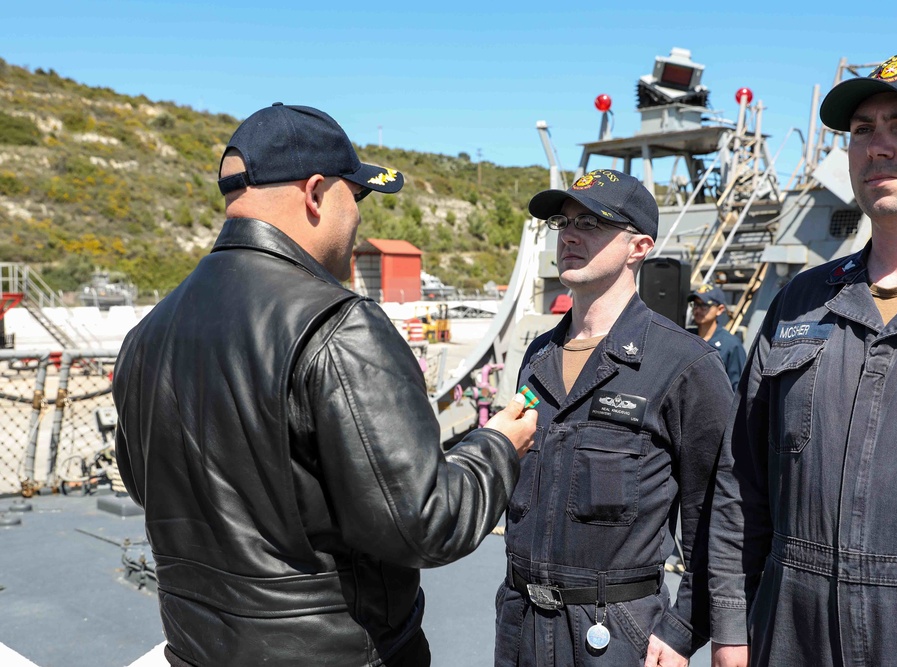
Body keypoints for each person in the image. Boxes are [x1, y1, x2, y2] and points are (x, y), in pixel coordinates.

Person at [112, 103, 537, 667]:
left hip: (196, 647)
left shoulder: (147, 334)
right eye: (353, 197)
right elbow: (427, 522)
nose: (358, 218)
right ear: (315, 193)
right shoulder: (336, 325)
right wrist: (500, 446)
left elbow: (150, 490)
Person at [708, 50, 897, 666]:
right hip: (791, 640)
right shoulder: (798, 304)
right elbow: (742, 484)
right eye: (862, 130)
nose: (878, 146)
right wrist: (731, 629)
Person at [495, 169, 734, 666]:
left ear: (639, 247)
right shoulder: (539, 356)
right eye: (563, 222)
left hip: (615, 636)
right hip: (521, 625)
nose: (570, 235)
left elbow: (716, 513)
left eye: (593, 223)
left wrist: (686, 627)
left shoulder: (683, 363)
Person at [687, 284, 746, 390]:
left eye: (704, 306)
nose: (698, 310)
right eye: (695, 305)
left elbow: (738, 389)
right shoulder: (687, 337)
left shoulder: (731, 345)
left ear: (720, 309)